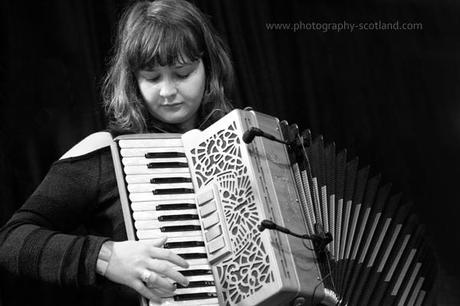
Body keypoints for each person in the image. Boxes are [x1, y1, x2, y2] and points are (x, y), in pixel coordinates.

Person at [0, 0, 234, 305]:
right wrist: (106, 257)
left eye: (182, 73)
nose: (167, 91)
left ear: (209, 68)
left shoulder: (243, 144)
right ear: (133, 81)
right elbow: (11, 240)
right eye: (151, 78)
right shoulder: (105, 151)